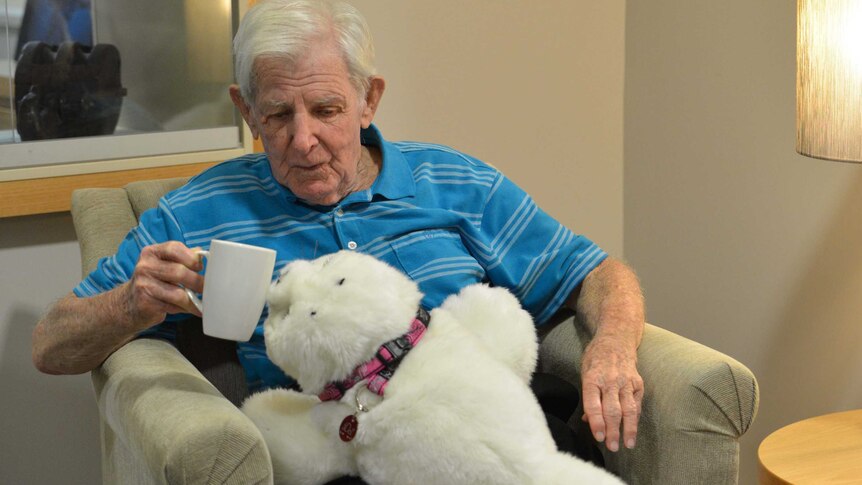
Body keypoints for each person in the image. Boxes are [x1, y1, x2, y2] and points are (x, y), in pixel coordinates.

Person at [33, 0, 644, 463]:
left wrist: (611, 346)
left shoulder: (454, 181)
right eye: (276, 115)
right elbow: (51, 344)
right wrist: (131, 302)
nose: (303, 141)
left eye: (326, 110)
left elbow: (594, 272)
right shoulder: (200, 211)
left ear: (368, 99)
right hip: (345, 456)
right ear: (246, 111)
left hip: (498, 439)